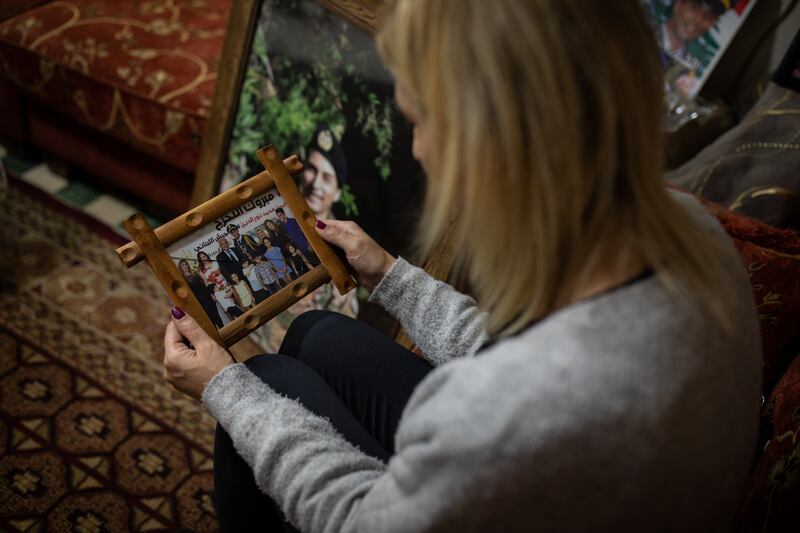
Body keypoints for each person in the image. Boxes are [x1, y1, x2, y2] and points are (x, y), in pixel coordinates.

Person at [163, 1, 762, 532]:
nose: (419, 149)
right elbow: (517, 357)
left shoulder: (506, 412)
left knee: (262, 382)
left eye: (421, 119)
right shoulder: (694, 232)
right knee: (314, 335)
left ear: (495, 142)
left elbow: (356, 517)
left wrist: (226, 389)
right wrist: (390, 276)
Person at [658, 0, 728, 67]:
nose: (699, 20)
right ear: (678, 4)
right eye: (695, 7)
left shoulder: (693, 68)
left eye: (709, 15)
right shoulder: (649, 35)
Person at [301, 125, 347, 221]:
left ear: (337, 194)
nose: (316, 184)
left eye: (326, 178)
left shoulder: (337, 236)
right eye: (312, 170)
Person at [178, 258, 223, 328]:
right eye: (182, 265)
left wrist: (211, 295)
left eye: (185, 264)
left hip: (208, 298)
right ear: (180, 268)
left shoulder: (195, 274)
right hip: (200, 303)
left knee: (218, 319)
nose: (185, 266)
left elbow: (204, 286)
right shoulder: (183, 279)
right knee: (211, 323)